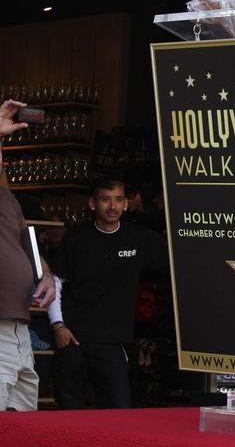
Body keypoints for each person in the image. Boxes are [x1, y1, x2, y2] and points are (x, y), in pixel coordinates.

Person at [48, 175, 167, 409]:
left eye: (118, 200)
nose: (112, 206)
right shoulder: (77, 238)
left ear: (126, 203)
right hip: (73, 339)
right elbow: (54, 281)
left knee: (119, 411)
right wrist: (58, 326)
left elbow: (177, 256)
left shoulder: (139, 237)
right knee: (68, 414)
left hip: (113, 343)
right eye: (105, 200)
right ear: (93, 203)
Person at [0, 99, 55, 411]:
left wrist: (46, 276)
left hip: (21, 329)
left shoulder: (8, 200)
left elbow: (30, 250)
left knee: (23, 432)